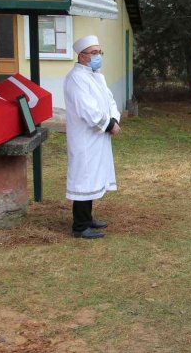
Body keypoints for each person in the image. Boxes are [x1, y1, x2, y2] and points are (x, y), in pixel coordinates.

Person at [64, 35, 120, 239]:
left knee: (94, 176)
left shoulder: (97, 75)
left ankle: (87, 219)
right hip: (85, 138)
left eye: (99, 52)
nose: (98, 56)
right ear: (82, 56)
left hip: (97, 137)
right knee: (84, 178)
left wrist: (114, 118)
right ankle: (79, 226)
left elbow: (110, 100)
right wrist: (108, 125)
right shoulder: (76, 78)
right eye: (94, 53)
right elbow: (87, 109)